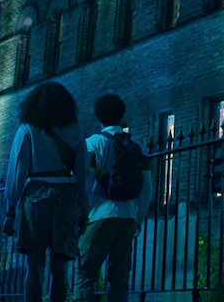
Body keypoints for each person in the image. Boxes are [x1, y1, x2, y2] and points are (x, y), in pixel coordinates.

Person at [2, 82, 90, 302]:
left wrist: (10, 211)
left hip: (35, 195)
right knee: (59, 268)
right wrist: (84, 210)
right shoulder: (75, 131)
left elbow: (17, 173)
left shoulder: (27, 129)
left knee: (34, 266)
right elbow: (82, 175)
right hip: (66, 196)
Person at [76, 93, 153, 302]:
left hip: (99, 216)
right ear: (120, 116)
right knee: (119, 280)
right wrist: (138, 218)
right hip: (127, 218)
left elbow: (86, 180)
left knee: (85, 275)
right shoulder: (134, 148)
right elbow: (148, 188)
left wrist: (84, 212)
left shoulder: (92, 143)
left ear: (99, 116)